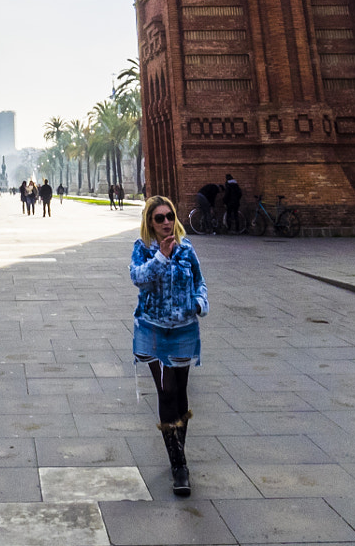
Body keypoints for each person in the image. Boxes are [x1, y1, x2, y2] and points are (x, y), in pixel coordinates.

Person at [130, 195, 207, 497]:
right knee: (167, 390)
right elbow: (138, 278)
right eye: (159, 218)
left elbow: (200, 282)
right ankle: (180, 466)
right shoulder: (142, 250)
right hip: (153, 331)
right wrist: (161, 256)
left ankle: (177, 450)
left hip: (184, 330)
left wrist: (199, 303)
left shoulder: (188, 250)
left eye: (169, 216)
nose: (165, 222)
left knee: (182, 391)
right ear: (150, 222)